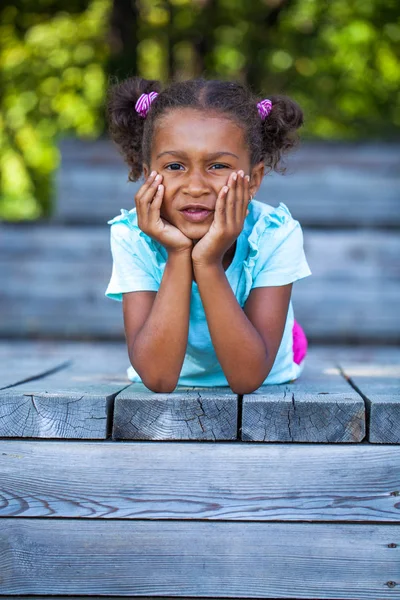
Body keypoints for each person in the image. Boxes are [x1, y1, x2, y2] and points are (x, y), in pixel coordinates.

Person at [104, 76, 312, 394]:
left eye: (217, 166)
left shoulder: (274, 233)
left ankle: (289, 337)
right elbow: (158, 378)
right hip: (171, 369)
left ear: (253, 180)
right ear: (148, 176)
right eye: (174, 166)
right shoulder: (132, 236)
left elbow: (246, 378)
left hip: (266, 366)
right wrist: (177, 253)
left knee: (274, 336)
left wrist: (208, 261)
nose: (196, 186)